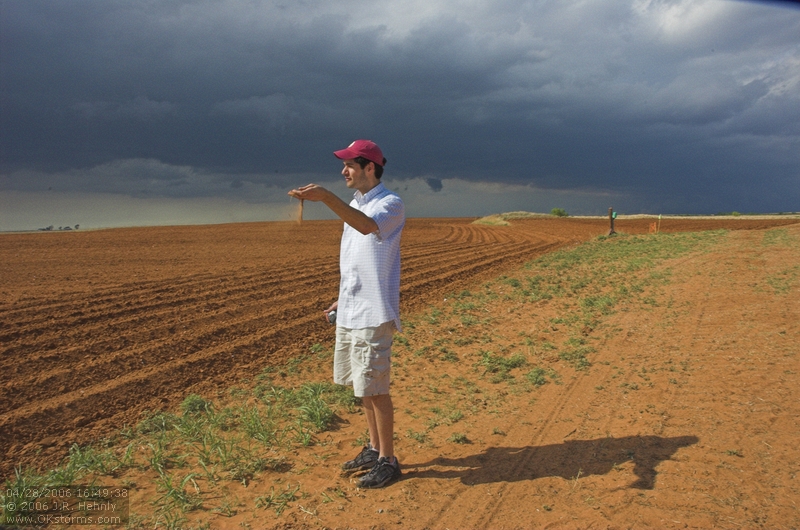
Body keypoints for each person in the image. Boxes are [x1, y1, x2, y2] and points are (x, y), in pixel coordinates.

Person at [288, 139, 405, 489]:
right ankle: (373, 448)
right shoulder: (355, 204)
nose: (344, 172)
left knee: (376, 388)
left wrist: (326, 198)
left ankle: (389, 459)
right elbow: (355, 263)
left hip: (373, 312)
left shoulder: (391, 204)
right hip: (353, 308)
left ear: (370, 167)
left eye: (350, 166)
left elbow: (367, 226)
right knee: (362, 387)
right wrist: (341, 298)